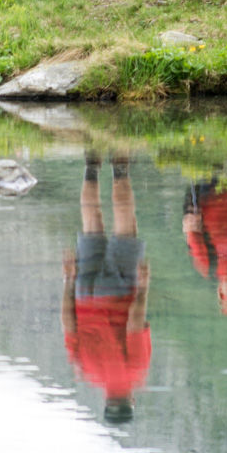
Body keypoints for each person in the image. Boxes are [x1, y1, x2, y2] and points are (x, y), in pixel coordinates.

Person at [62, 152, 151, 425]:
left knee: (126, 226)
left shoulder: (135, 373)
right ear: (106, 402)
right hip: (84, 293)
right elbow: (68, 324)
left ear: (131, 402)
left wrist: (144, 288)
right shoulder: (87, 373)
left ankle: (120, 164)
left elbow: (135, 323)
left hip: (118, 294)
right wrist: (68, 280)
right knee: (92, 223)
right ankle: (91, 166)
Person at [182, 178, 227, 316]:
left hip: (210, 189)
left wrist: (189, 218)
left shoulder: (209, 265)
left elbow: (190, 226)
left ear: (220, 290)